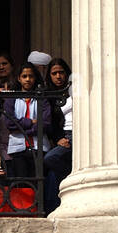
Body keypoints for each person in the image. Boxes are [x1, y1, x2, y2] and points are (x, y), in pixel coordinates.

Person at [2, 62, 52, 179]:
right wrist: (31, 122)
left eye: (31, 76)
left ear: (35, 78)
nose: (28, 79)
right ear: (19, 79)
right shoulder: (11, 99)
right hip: (18, 148)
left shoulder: (42, 99)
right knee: (22, 185)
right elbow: (9, 122)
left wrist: (23, 129)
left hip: (39, 147)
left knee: (38, 182)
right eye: (24, 76)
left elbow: (45, 123)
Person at [44, 58, 73, 213]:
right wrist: (57, 139)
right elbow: (51, 123)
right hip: (63, 137)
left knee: (51, 161)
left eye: (61, 72)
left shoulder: (75, 90)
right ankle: (52, 209)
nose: (58, 76)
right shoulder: (49, 95)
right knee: (52, 170)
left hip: (77, 134)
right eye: (54, 73)